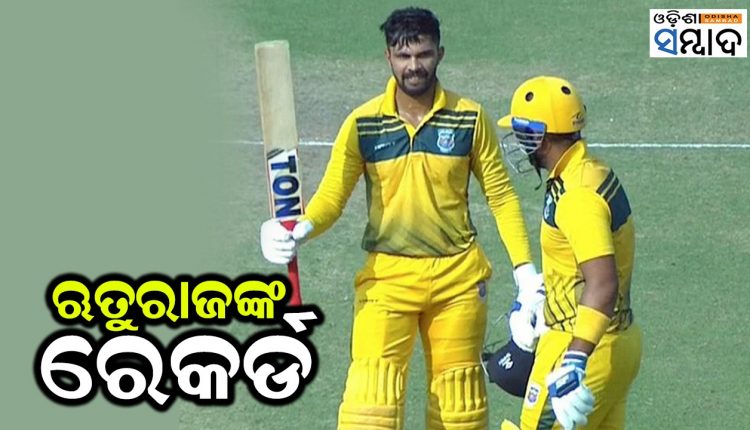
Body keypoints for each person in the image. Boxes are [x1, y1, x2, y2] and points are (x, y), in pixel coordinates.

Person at [260, 7, 543, 429]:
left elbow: (500, 196)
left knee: (459, 411)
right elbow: (332, 197)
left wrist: (525, 272)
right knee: (369, 410)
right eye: (404, 55)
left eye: (423, 54)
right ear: (388, 57)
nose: (414, 66)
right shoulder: (363, 123)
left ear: (440, 53)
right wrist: (302, 228)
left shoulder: (469, 118)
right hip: (386, 281)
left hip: (458, 280)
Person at [495, 76, 642, 430]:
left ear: (541, 137)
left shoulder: (576, 197)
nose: (518, 142)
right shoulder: (590, 170)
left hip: (580, 347)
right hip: (617, 343)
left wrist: (575, 360)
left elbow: (603, 283)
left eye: (522, 132)